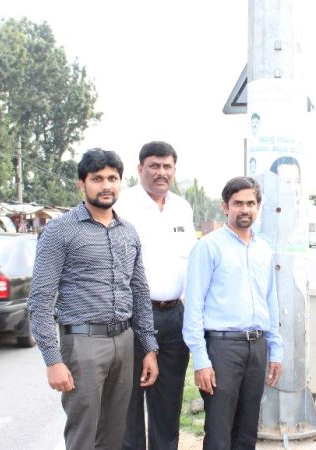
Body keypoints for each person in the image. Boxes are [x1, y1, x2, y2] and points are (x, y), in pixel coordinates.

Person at [27, 148, 159, 450]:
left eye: (112, 178)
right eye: (97, 178)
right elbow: (40, 300)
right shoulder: (60, 231)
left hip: (124, 342)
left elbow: (139, 292)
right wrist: (53, 360)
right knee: (84, 434)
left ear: (121, 182)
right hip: (83, 344)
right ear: (81, 184)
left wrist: (149, 348)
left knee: (114, 433)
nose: (106, 185)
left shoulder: (128, 231)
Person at [183, 176, 283, 449]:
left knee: (247, 430)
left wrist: (276, 349)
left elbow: (269, 302)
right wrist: (201, 360)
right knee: (219, 431)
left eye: (250, 203)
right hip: (222, 349)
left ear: (258, 206)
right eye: (238, 203)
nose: (245, 209)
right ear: (225, 207)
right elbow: (193, 307)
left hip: (257, 346)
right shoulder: (209, 247)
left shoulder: (264, 249)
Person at [117, 141, 197, 450]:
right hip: (133, 317)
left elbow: (189, 263)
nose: (161, 172)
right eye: (154, 165)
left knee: (169, 404)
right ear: (140, 169)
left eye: (167, 166)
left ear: (174, 171)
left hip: (174, 317)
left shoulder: (182, 208)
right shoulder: (122, 206)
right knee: (130, 405)